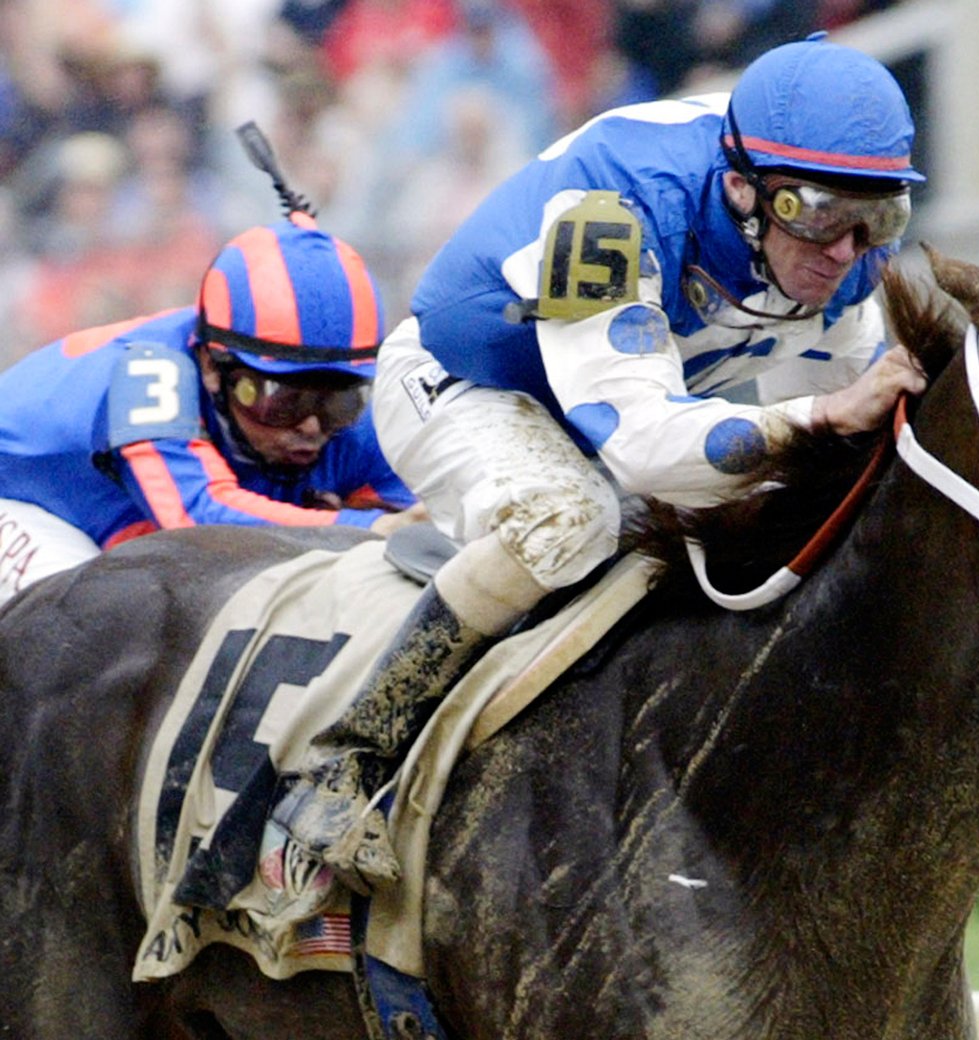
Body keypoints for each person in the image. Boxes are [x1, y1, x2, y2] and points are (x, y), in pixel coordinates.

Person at [272, 33, 928, 893]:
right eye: (813, 212)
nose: (844, 251)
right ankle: (343, 765)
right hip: (467, 384)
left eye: (875, 217)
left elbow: (850, 456)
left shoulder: (838, 252)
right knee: (571, 518)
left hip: (623, 411)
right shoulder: (612, 211)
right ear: (741, 186)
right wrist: (812, 417)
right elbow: (646, 450)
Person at [0, 206, 422, 607]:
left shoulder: (358, 421)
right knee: (87, 623)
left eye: (337, 400)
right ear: (210, 366)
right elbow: (201, 524)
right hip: (28, 506)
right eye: (281, 400)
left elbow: (422, 516)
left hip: (123, 524)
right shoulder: (149, 373)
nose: (311, 426)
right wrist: (367, 528)